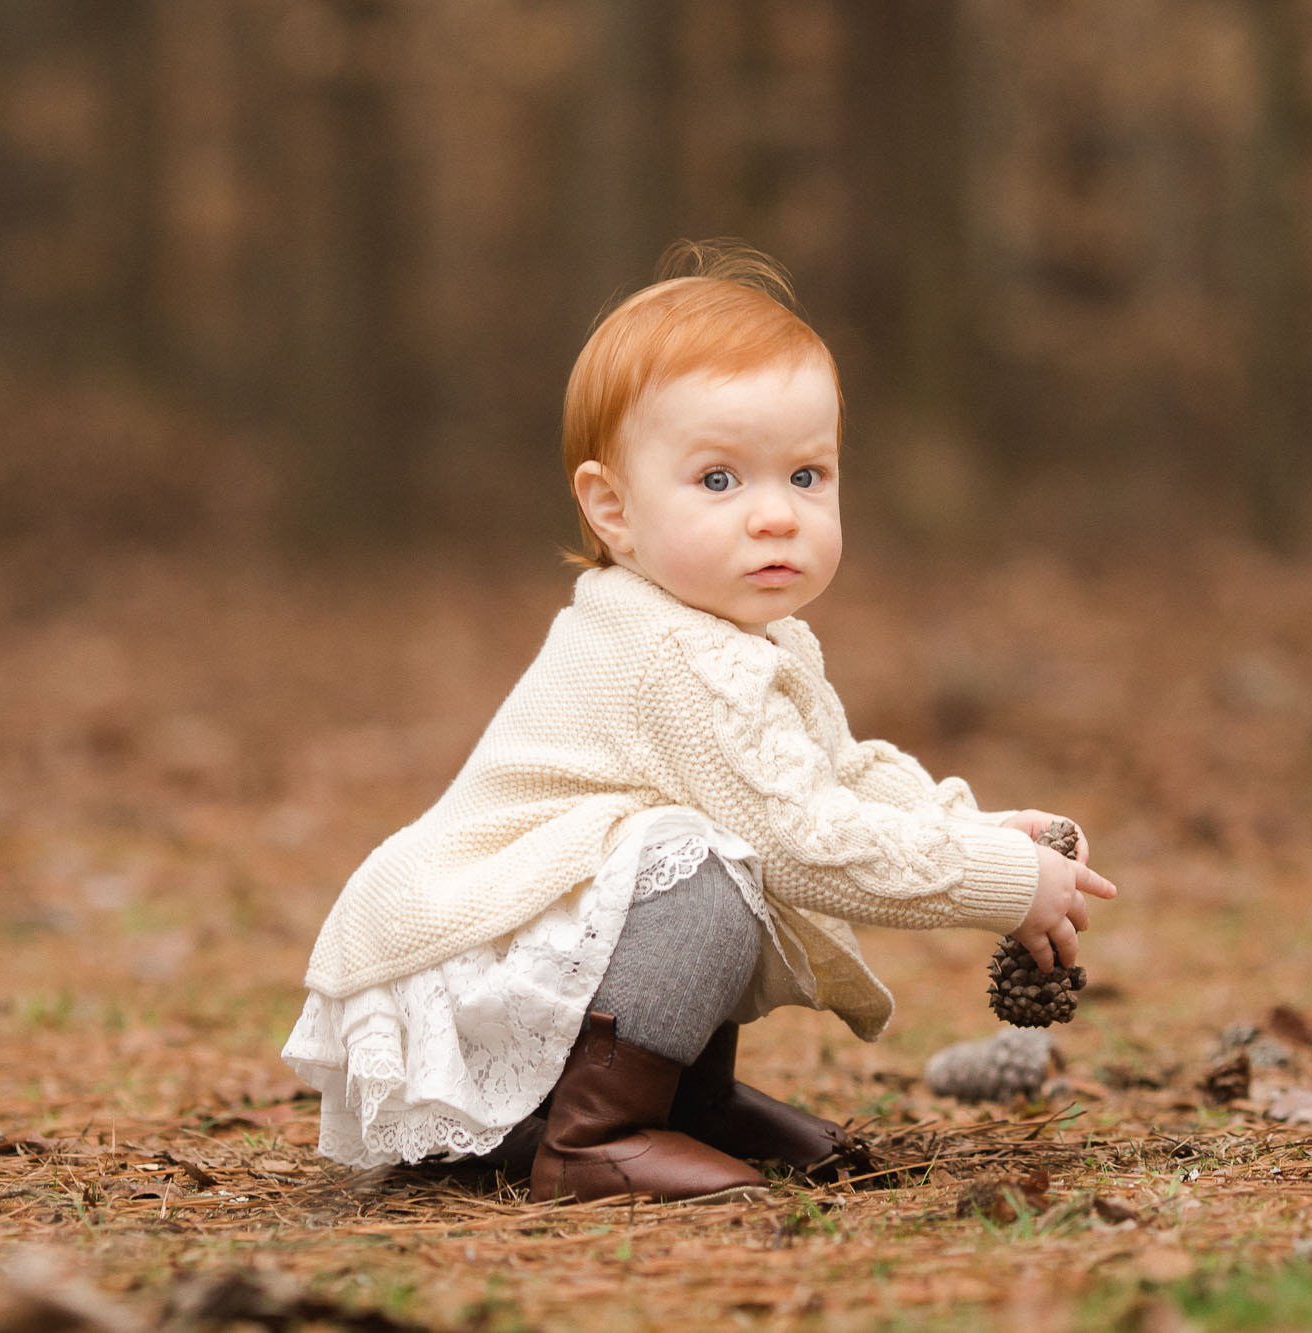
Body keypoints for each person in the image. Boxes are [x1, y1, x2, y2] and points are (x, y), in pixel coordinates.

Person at [281, 240, 1117, 1205]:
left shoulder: (743, 636)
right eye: (720, 480)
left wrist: (966, 827)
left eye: (806, 476)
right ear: (614, 509)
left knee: (706, 846)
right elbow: (805, 840)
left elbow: (836, 772)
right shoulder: (672, 653)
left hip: (538, 981)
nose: (775, 515)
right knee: (704, 862)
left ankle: (685, 1098)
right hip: (477, 993)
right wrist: (1004, 882)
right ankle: (597, 1130)